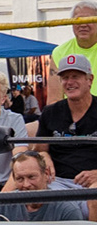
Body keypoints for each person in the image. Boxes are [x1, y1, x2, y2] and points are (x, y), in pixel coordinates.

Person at [35, 52, 97, 212]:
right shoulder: (50, 112)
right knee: (36, 195)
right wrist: (44, 157)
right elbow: (40, 150)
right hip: (57, 182)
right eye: (65, 77)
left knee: (94, 199)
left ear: (90, 80)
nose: (70, 82)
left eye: (75, 76)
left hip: (93, 183)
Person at [0, 151, 90, 222]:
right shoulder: (4, 206)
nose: (26, 184)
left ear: (46, 174)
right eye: (20, 179)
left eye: (31, 177)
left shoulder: (67, 210)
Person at [0, 71, 27, 185]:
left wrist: (3, 195)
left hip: (4, 185)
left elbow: (20, 163)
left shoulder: (15, 120)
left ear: (3, 99)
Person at [49, 2, 97, 86]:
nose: (83, 24)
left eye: (89, 20)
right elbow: (54, 93)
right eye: (78, 20)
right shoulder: (59, 52)